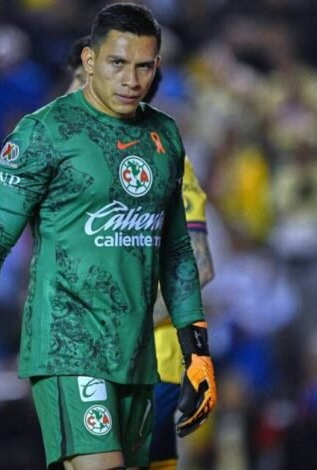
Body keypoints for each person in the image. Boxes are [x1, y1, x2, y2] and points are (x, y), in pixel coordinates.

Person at [0, 4, 217, 469]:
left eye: (144, 66)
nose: (131, 79)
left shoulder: (165, 139)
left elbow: (179, 255)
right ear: (89, 63)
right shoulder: (41, 133)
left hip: (141, 357)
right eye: (117, 63)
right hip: (69, 343)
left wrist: (198, 352)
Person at [64, 35, 215, 470]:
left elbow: (199, 267)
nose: (74, 92)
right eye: (76, 78)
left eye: (85, 80)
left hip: (149, 363)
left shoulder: (167, 163)